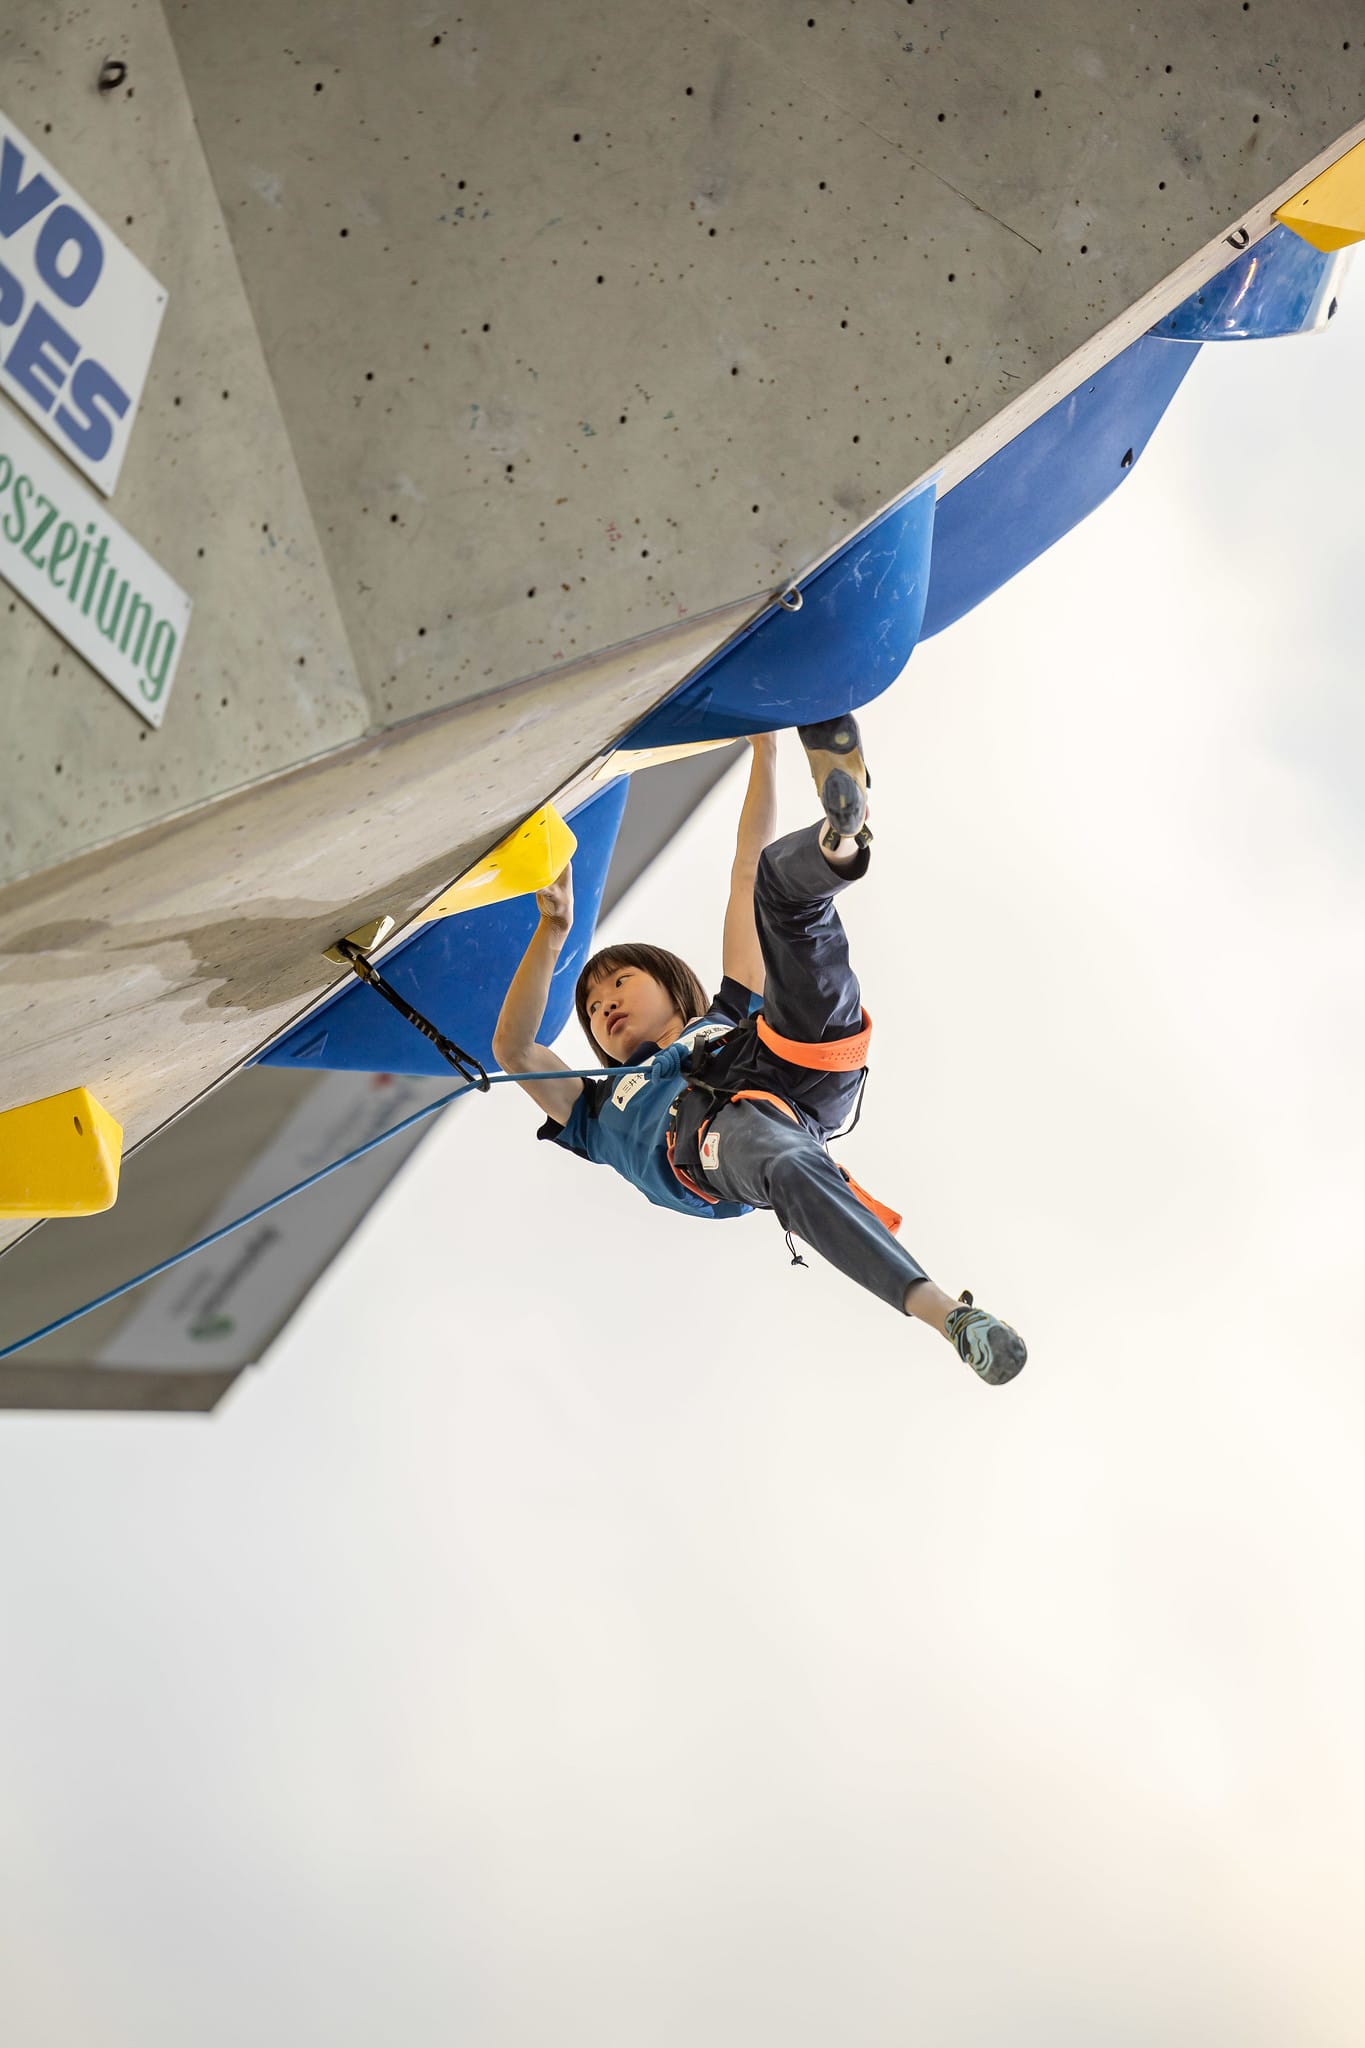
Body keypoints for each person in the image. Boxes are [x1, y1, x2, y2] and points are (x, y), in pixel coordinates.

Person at [491, 719, 1027, 1385]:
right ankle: (947, 1317)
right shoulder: (596, 1114)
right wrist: (553, 930)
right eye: (593, 1010)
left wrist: (763, 748)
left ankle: (837, 839)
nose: (604, 1004)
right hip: (720, 1138)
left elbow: (743, 866)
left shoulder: (722, 1010)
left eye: (618, 982)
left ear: (669, 984)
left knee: (775, 881)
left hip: (788, 1060)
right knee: (785, 1165)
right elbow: (513, 1048)